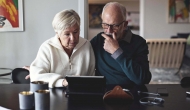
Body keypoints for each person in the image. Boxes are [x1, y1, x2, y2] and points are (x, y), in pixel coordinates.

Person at [30, 9, 95, 88]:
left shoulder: (86, 45)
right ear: (57, 34)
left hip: (81, 93)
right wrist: (62, 82)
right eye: (67, 34)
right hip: (52, 95)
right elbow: (36, 76)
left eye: (75, 32)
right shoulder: (47, 47)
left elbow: (92, 76)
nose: (73, 38)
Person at [90, 2, 151, 85]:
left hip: (130, 94)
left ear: (125, 25)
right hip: (103, 94)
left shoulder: (139, 43)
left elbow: (143, 79)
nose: (109, 31)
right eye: (105, 25)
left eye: (115, 26)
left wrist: (117, 52)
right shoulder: (98, 40)